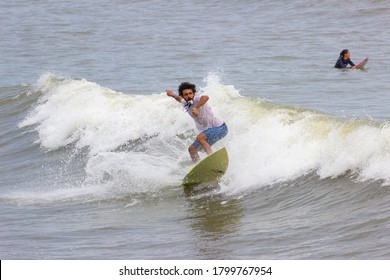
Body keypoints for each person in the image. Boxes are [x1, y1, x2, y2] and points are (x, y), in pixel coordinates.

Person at [166, 82, 228, 163]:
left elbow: (205, 97)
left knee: (200, 137)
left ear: (194, 93)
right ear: (183, 96)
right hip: (208, 132)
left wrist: (196, 107)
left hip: (220, 127)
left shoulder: (198, 99)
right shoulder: (184, 102)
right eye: (186, 94)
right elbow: (178, 98)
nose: (189, 96)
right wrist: (171, 94)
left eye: (190, 93)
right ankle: (198, 166)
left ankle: (213, 161)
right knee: (192, 149)